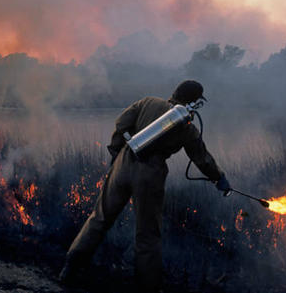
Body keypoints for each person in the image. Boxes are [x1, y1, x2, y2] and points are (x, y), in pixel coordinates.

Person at [59, 80, 231, 292]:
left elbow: (121, 125)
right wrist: (219, 178)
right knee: (148, 235)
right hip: (151, 173)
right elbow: (201, 158)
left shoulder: (147, 101)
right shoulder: (187, 127)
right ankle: (147, 288)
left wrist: (116, 154)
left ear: (174, 93)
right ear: (194, 102)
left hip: (125, 160)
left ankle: (70, 268)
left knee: (100, 218)